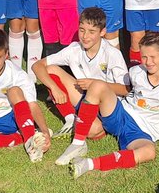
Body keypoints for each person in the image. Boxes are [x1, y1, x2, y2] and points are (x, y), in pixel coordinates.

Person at [54, 31, 159, 179]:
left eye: (152, 57)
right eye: (144, 57)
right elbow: (126, 90)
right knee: (98, 85)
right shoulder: (135, 72)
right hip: (122, 114)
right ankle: (77, 144)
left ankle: (88, 164)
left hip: (143, 131)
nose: (148, 62)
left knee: (148, 152)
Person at [32, 7, 128, 138]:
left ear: (102, 32)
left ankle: (97, 124)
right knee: (50, 70)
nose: (85, 36)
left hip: (106, 104)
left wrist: (96, 85)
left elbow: (125, 89)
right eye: (82, 30)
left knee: (92, 131)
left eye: (91, 32)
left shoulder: (113, 54)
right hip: (84, 96)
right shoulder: (74, 49)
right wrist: (54, 88)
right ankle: (71, 118)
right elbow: (37, 65)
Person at [0, 28, 49, 161]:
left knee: (14, 90)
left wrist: (45, 130)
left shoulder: (18, 75)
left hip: (16, 115)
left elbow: (32, 105)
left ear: (7, 54)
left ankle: (29, 139)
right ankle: (18, 138)